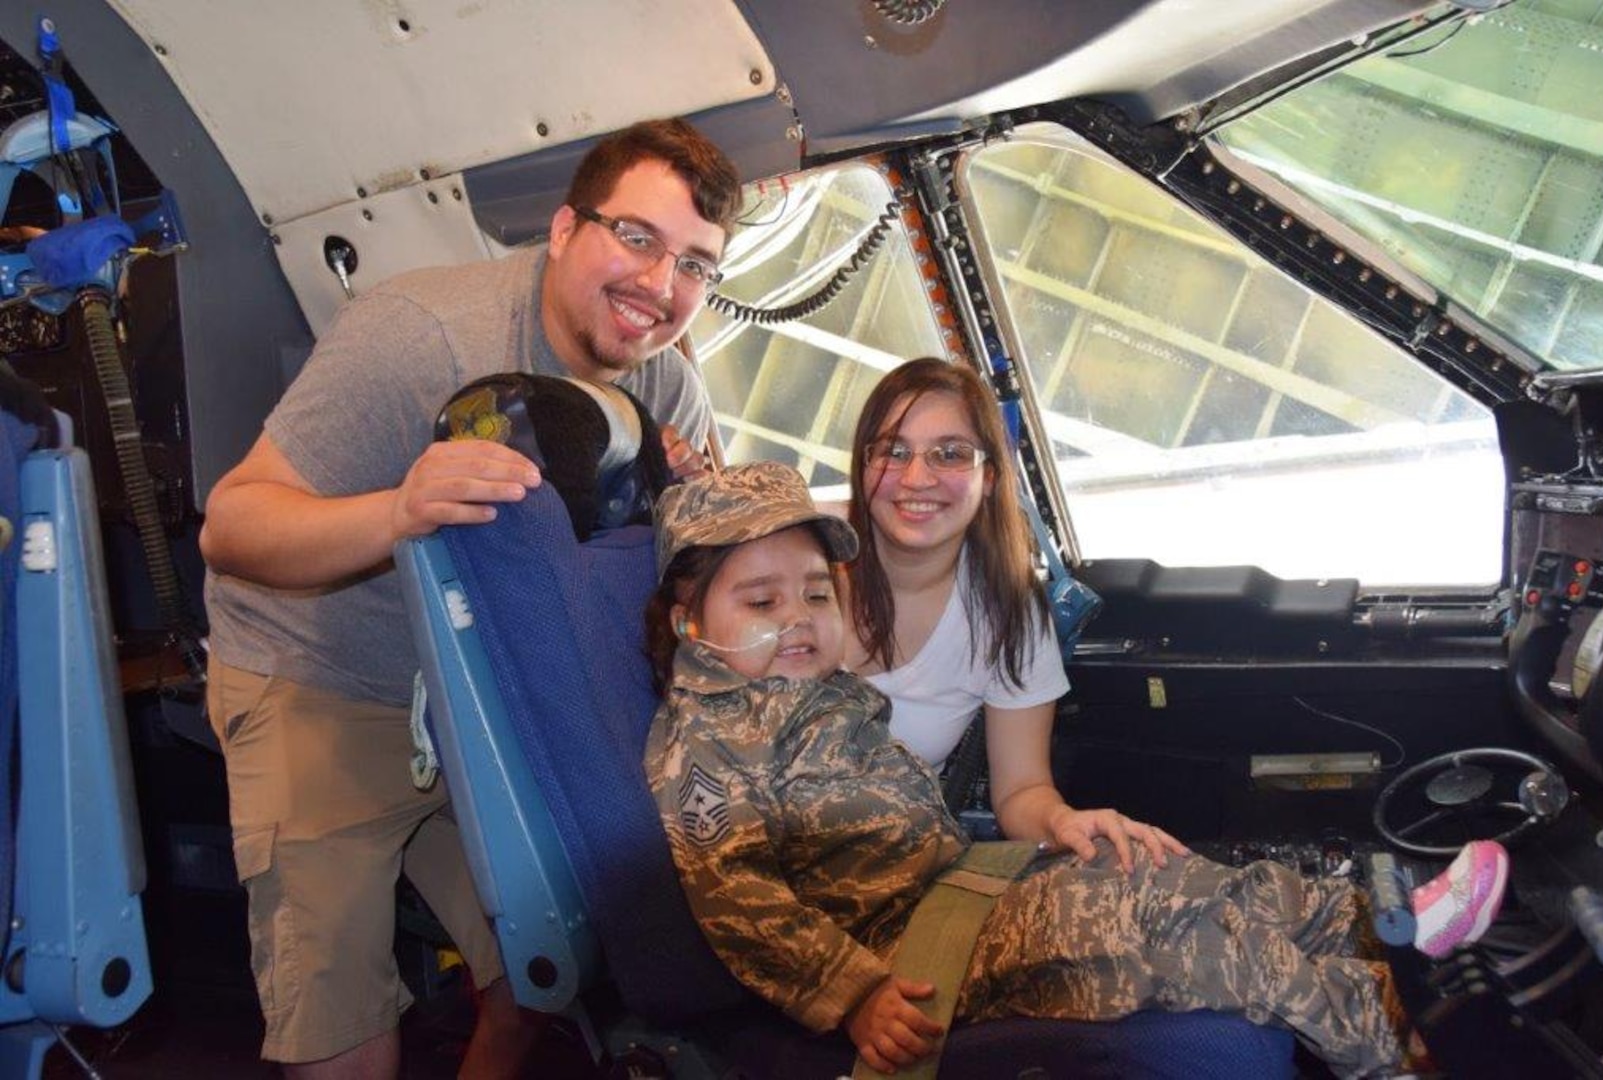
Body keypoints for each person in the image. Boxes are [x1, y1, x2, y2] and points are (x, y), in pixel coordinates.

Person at [642, 461, 1508, 1078]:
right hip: (910, 950)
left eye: (816, 594)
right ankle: (1391, 1041)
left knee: (1177, 876)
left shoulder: (814, 689)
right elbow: (740, 905)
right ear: (689, 621)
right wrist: (857, 994)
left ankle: (1382, 926)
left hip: (967, 885)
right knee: (1180, 940)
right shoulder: (706, 746)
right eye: (761, 601)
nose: (797, 617)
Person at [199, 118, 741, 1077]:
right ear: (566, 229)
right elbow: (232, 527)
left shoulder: (669, 393)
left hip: (484, 687)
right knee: (344, 1026)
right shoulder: (420, 334)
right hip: (321, 675)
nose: (660, 288)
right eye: (638, 238)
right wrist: (397, 509)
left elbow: (700, 594)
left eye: (696, 264)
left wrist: (692, 522)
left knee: (546, 968)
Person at [844, 356, 1180, 870]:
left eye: (950, 454)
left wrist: (1062, 823)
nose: (916, 477)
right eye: (893, 451)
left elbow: (1021, 790)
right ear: (861, 466)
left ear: (989, 478)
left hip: (884, 873)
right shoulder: (796, 567)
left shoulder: (1008, 613)